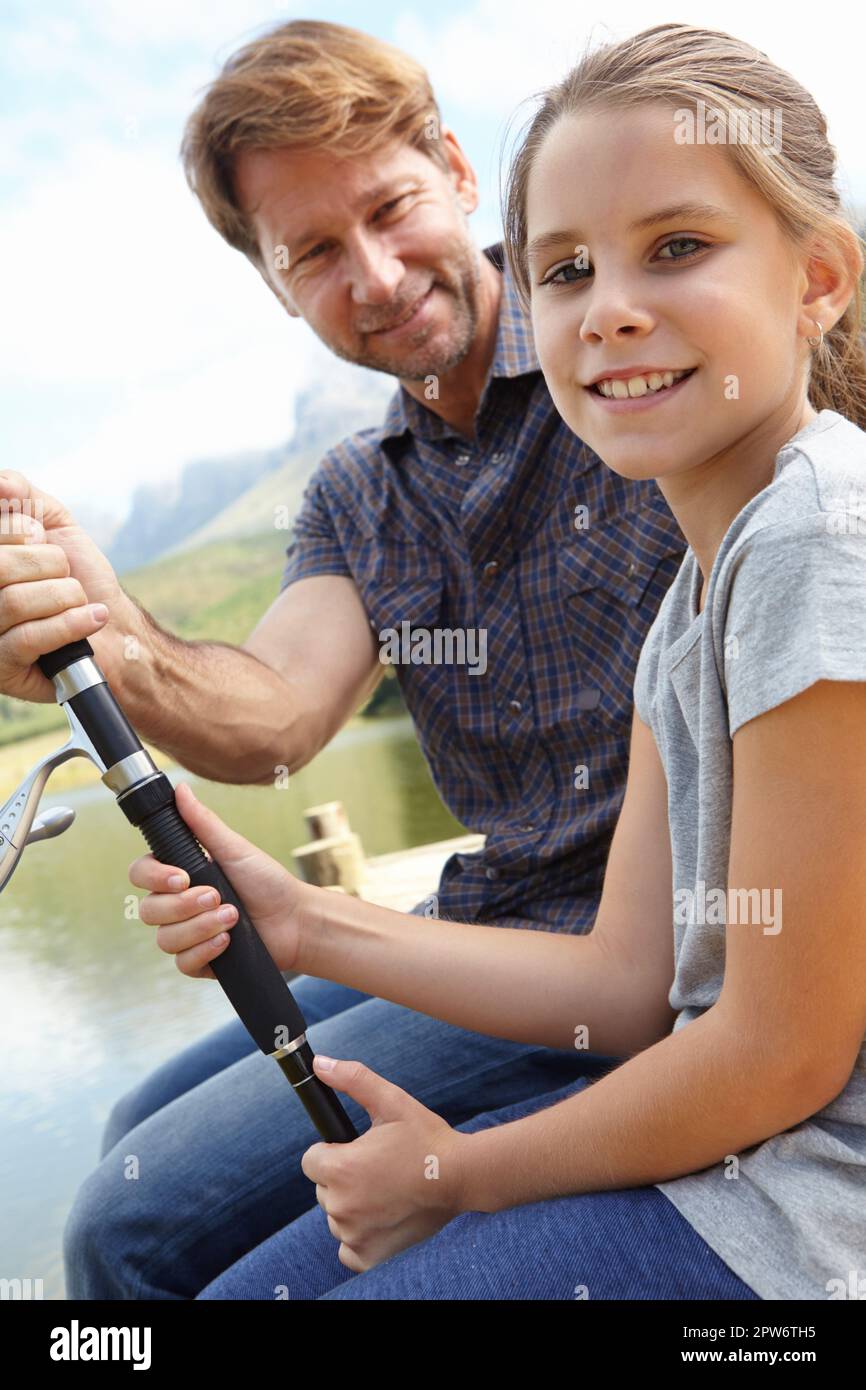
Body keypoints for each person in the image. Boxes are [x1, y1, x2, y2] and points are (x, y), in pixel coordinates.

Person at [125, 21, 866, 1302]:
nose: (612, 306)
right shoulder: (682, 594)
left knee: (161, 1245)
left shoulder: (806, 530)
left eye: (675, 248)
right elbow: (629, 984)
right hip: (670, 1059)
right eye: (567, 269)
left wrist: (457, 1174)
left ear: (815, 278)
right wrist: (295, 917)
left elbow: (778, 1058)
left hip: (795, 1200)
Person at [45, 22, 688, 1299]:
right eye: (316, 255)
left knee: (120, 1236)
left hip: (647, 969)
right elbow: (274, 720)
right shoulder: (354, 490)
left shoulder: (621, 351)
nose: (379, 277)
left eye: (390, 208)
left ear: (457, 167)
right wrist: (105, 627)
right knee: (129, 1142)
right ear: (275, 286)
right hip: (487, 932)